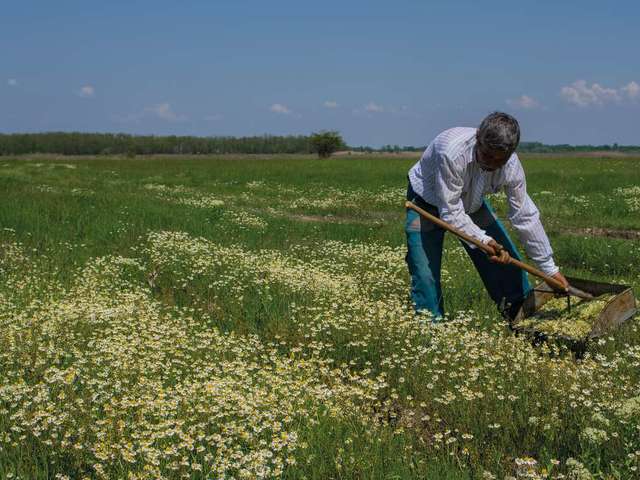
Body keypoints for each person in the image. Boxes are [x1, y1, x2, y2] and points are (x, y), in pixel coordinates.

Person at [405, 112, 569, 321]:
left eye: (499, 160)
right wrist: (484, 240)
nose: (491, 164)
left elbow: (524, 215)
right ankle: (430, 333)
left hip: (472, 204)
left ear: (510, 154)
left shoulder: (511, 167)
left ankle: (522, 320)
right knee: (425, 274)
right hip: (426, 202)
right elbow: (451, 211)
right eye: (487, 155)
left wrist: (549, 270)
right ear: (478, 139)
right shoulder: (452, 154)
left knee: (507, 263)